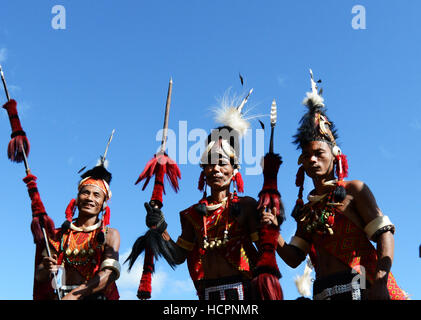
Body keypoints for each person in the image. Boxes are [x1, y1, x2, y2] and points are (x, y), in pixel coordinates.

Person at [263, 70, 408, 300]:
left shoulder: (354, 190)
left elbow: (385, 234)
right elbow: (293, 258)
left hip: (363, 287)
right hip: (323, 292)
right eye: (307, 154)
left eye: (319, 152)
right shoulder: (307, 209)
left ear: (335, 155)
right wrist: (273, 231)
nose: (313, 159)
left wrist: (381, 281)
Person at [127, 91, 282, 300]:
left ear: (235, 170)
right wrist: (161, 229)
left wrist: (271, 222)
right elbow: (178, 256)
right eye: (210, 163)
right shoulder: (192, 215)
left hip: (245, 294)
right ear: (203, 171)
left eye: (222, 163)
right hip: (207, 296)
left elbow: (264, 247)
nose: (216, 169)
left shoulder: (246, 207)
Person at [32, 163, 121, 300]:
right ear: (77, 199)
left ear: (104, 203)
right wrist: (45, 266)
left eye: (97, 195)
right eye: (85, 192)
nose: (90, 198)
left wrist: (73, 296)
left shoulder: (110, 234)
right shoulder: (59, 234)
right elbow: (39, 276)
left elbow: (109, 274)